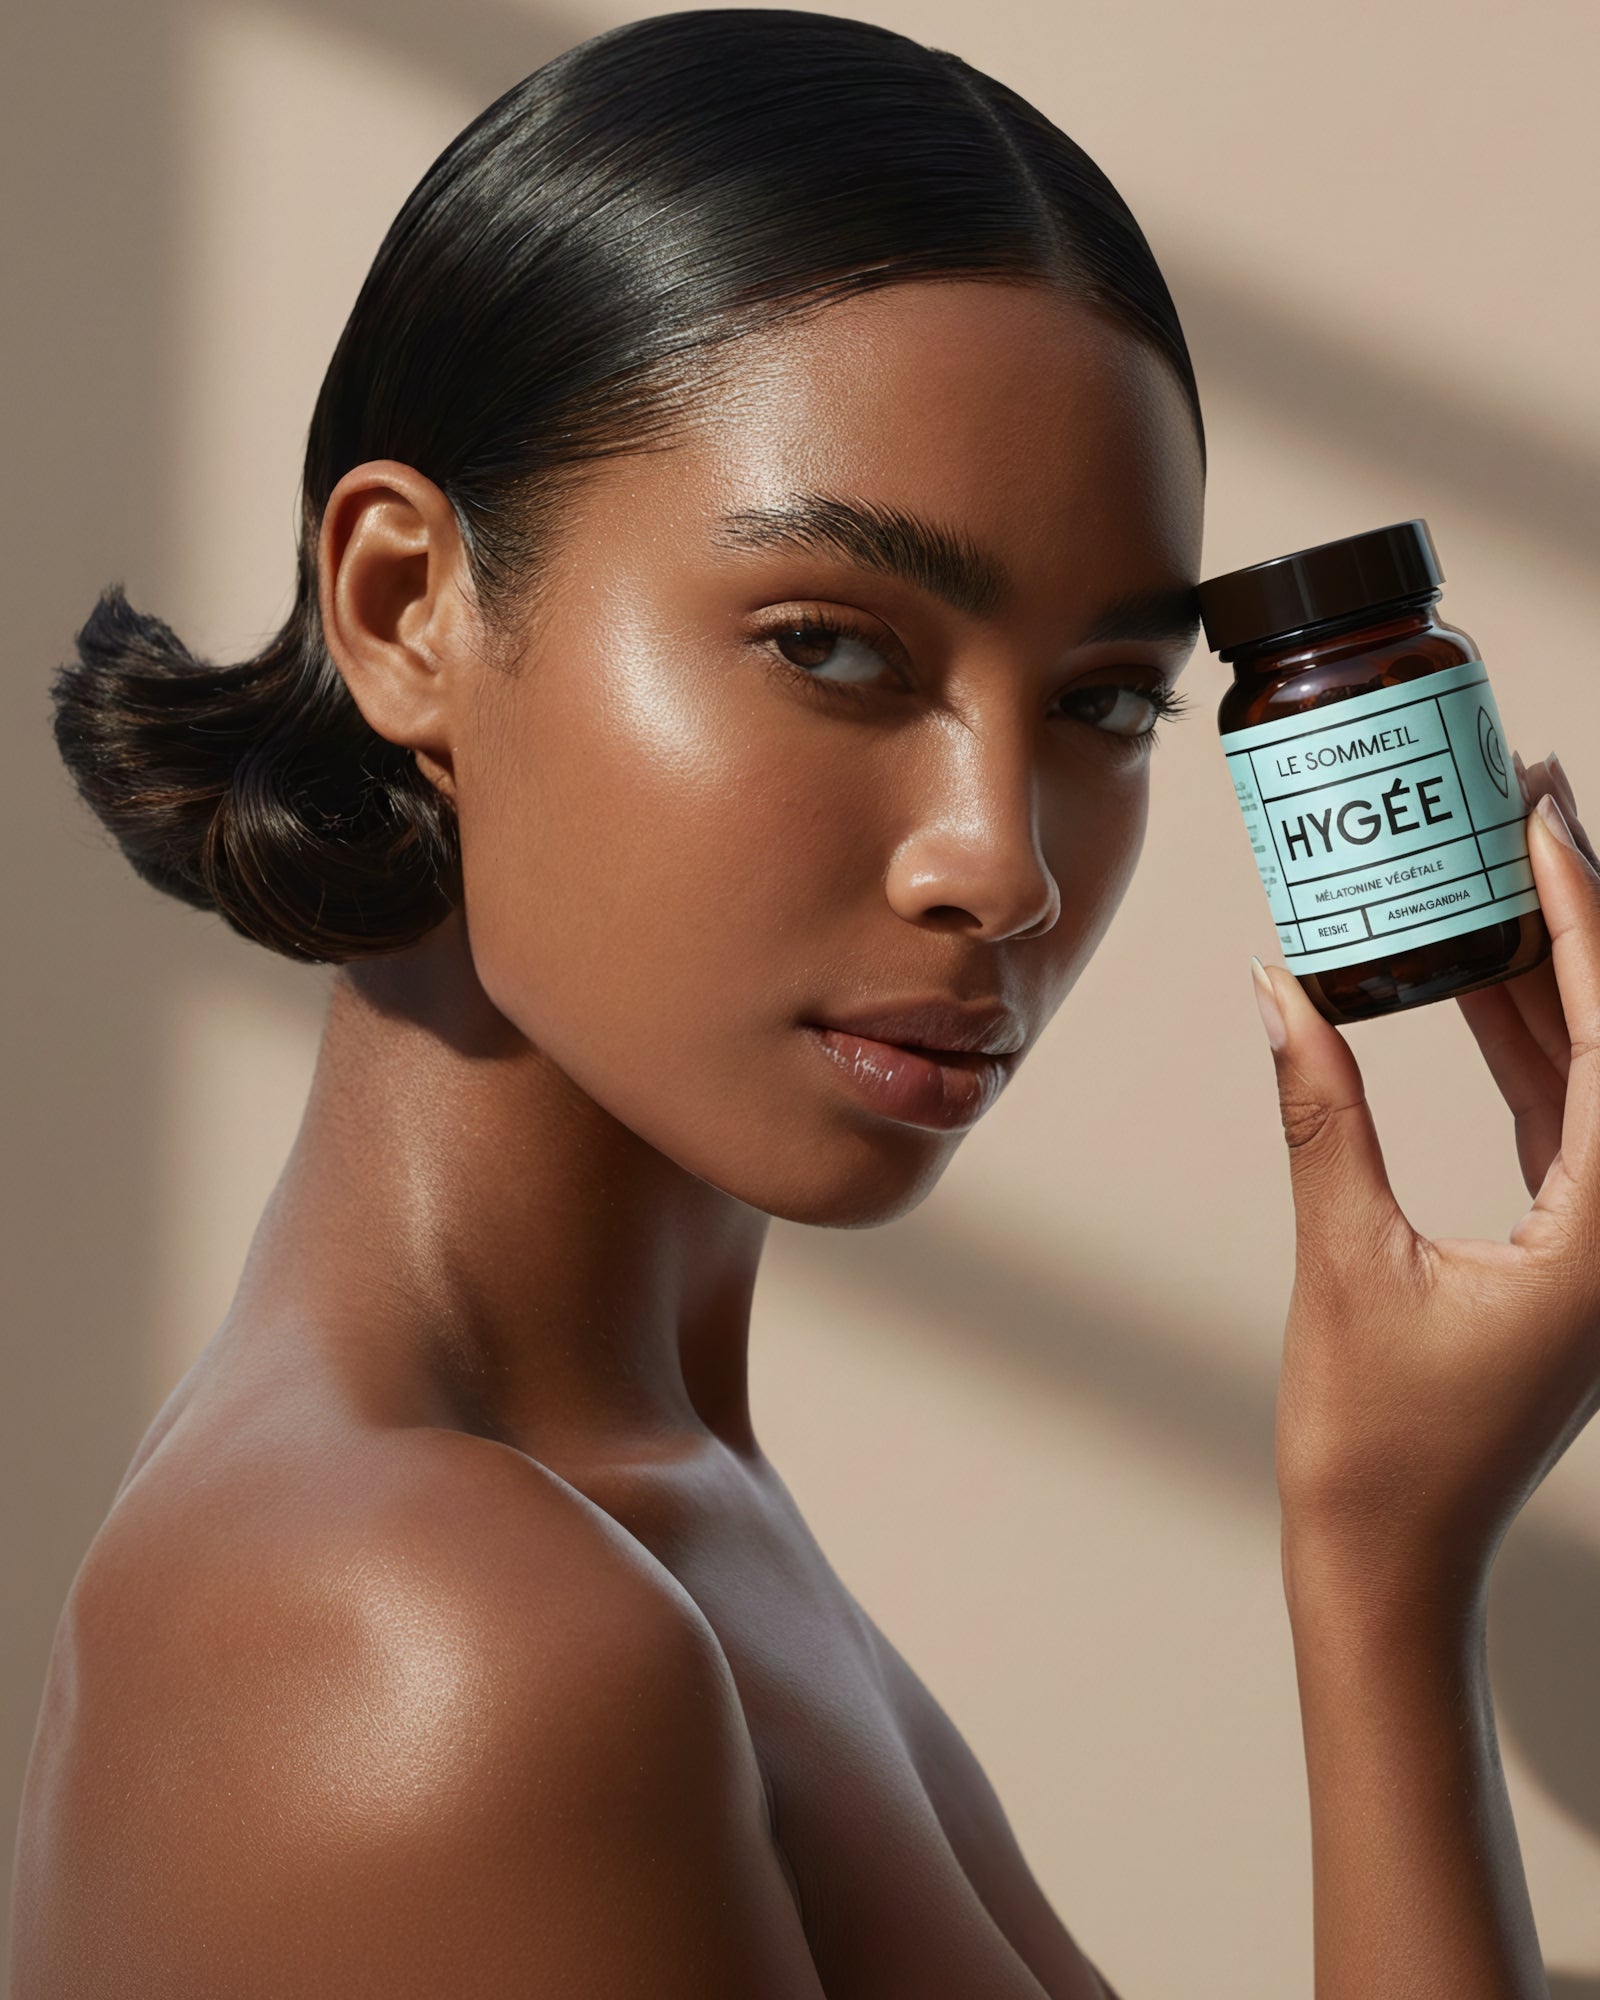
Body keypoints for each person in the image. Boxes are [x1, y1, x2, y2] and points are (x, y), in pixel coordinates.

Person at [13, 10, 1598, 1996]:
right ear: (410, 608)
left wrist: (1386, 1543)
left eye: (1103, 702)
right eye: (833, 647)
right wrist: (1378, 1580)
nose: (999, 862)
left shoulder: (648, 1504)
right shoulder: (433, 1639)